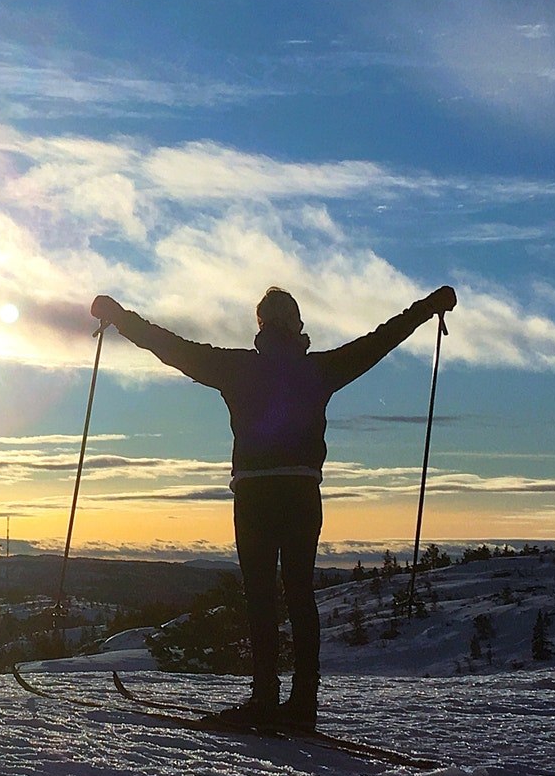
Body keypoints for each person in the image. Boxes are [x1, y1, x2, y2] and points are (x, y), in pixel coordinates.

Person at [91, 284, 456, 729]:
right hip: (303, 495)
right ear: (298, 326)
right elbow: (381, 339)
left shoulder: (237, 368)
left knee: (261, 598)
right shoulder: (320, 370)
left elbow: (169, 345)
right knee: (300, 596)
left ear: (261, 326)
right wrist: (427, 308)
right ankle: (303, 704)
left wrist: (118, 315)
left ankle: (265, 698)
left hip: (255, 496)